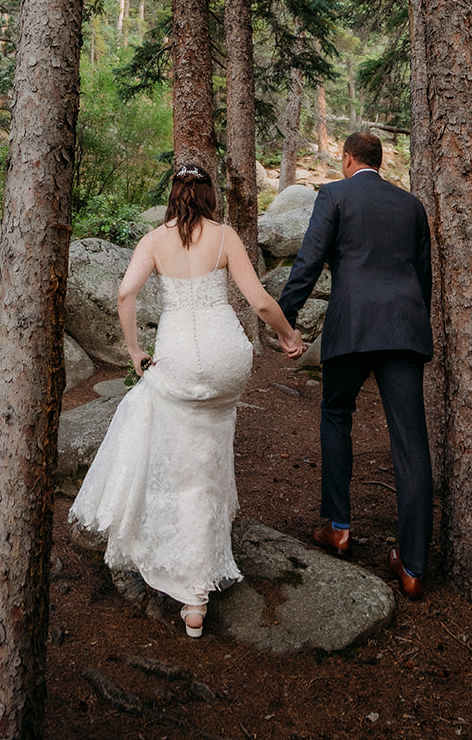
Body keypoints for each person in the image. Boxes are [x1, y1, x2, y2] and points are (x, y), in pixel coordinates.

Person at [69, 163, 304, 637]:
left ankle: (182, 580)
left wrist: (135, 351)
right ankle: (199, 581)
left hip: (176, 359)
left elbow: (124, 292)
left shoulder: (155, 241)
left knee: (169, 444)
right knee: (209, 454)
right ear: (209, 196)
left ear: (174, 195)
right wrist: (288, 336)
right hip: (224, 362)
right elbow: (259, 301)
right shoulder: (224, 237)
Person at [278, 130, 433, 600]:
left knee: (336, 413)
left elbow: (309, 261)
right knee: (411, 444)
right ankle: (412, 566)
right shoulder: (411, 206)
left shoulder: (334, 195)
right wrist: (410, 324)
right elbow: (423, 277)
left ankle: (340, 526)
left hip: (351, 328)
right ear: (378, 163)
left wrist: (283, 319)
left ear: (347, 159)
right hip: (403, 330)